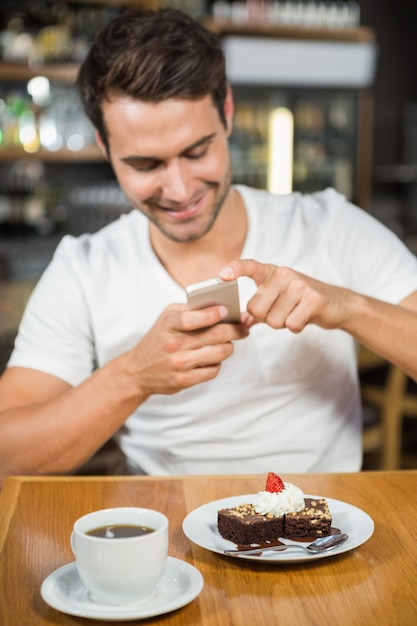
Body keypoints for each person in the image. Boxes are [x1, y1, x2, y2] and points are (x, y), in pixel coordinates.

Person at [1, 8, 417, 484]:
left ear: (228, 114)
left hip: (322, 524)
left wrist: (348, 308)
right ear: (104, 146)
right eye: (145, 164)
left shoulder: (329, 225)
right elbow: (7, 454)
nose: (179, 190)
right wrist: (132, 377)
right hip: (165, 533)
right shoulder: (83, 267)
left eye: (197, 152)